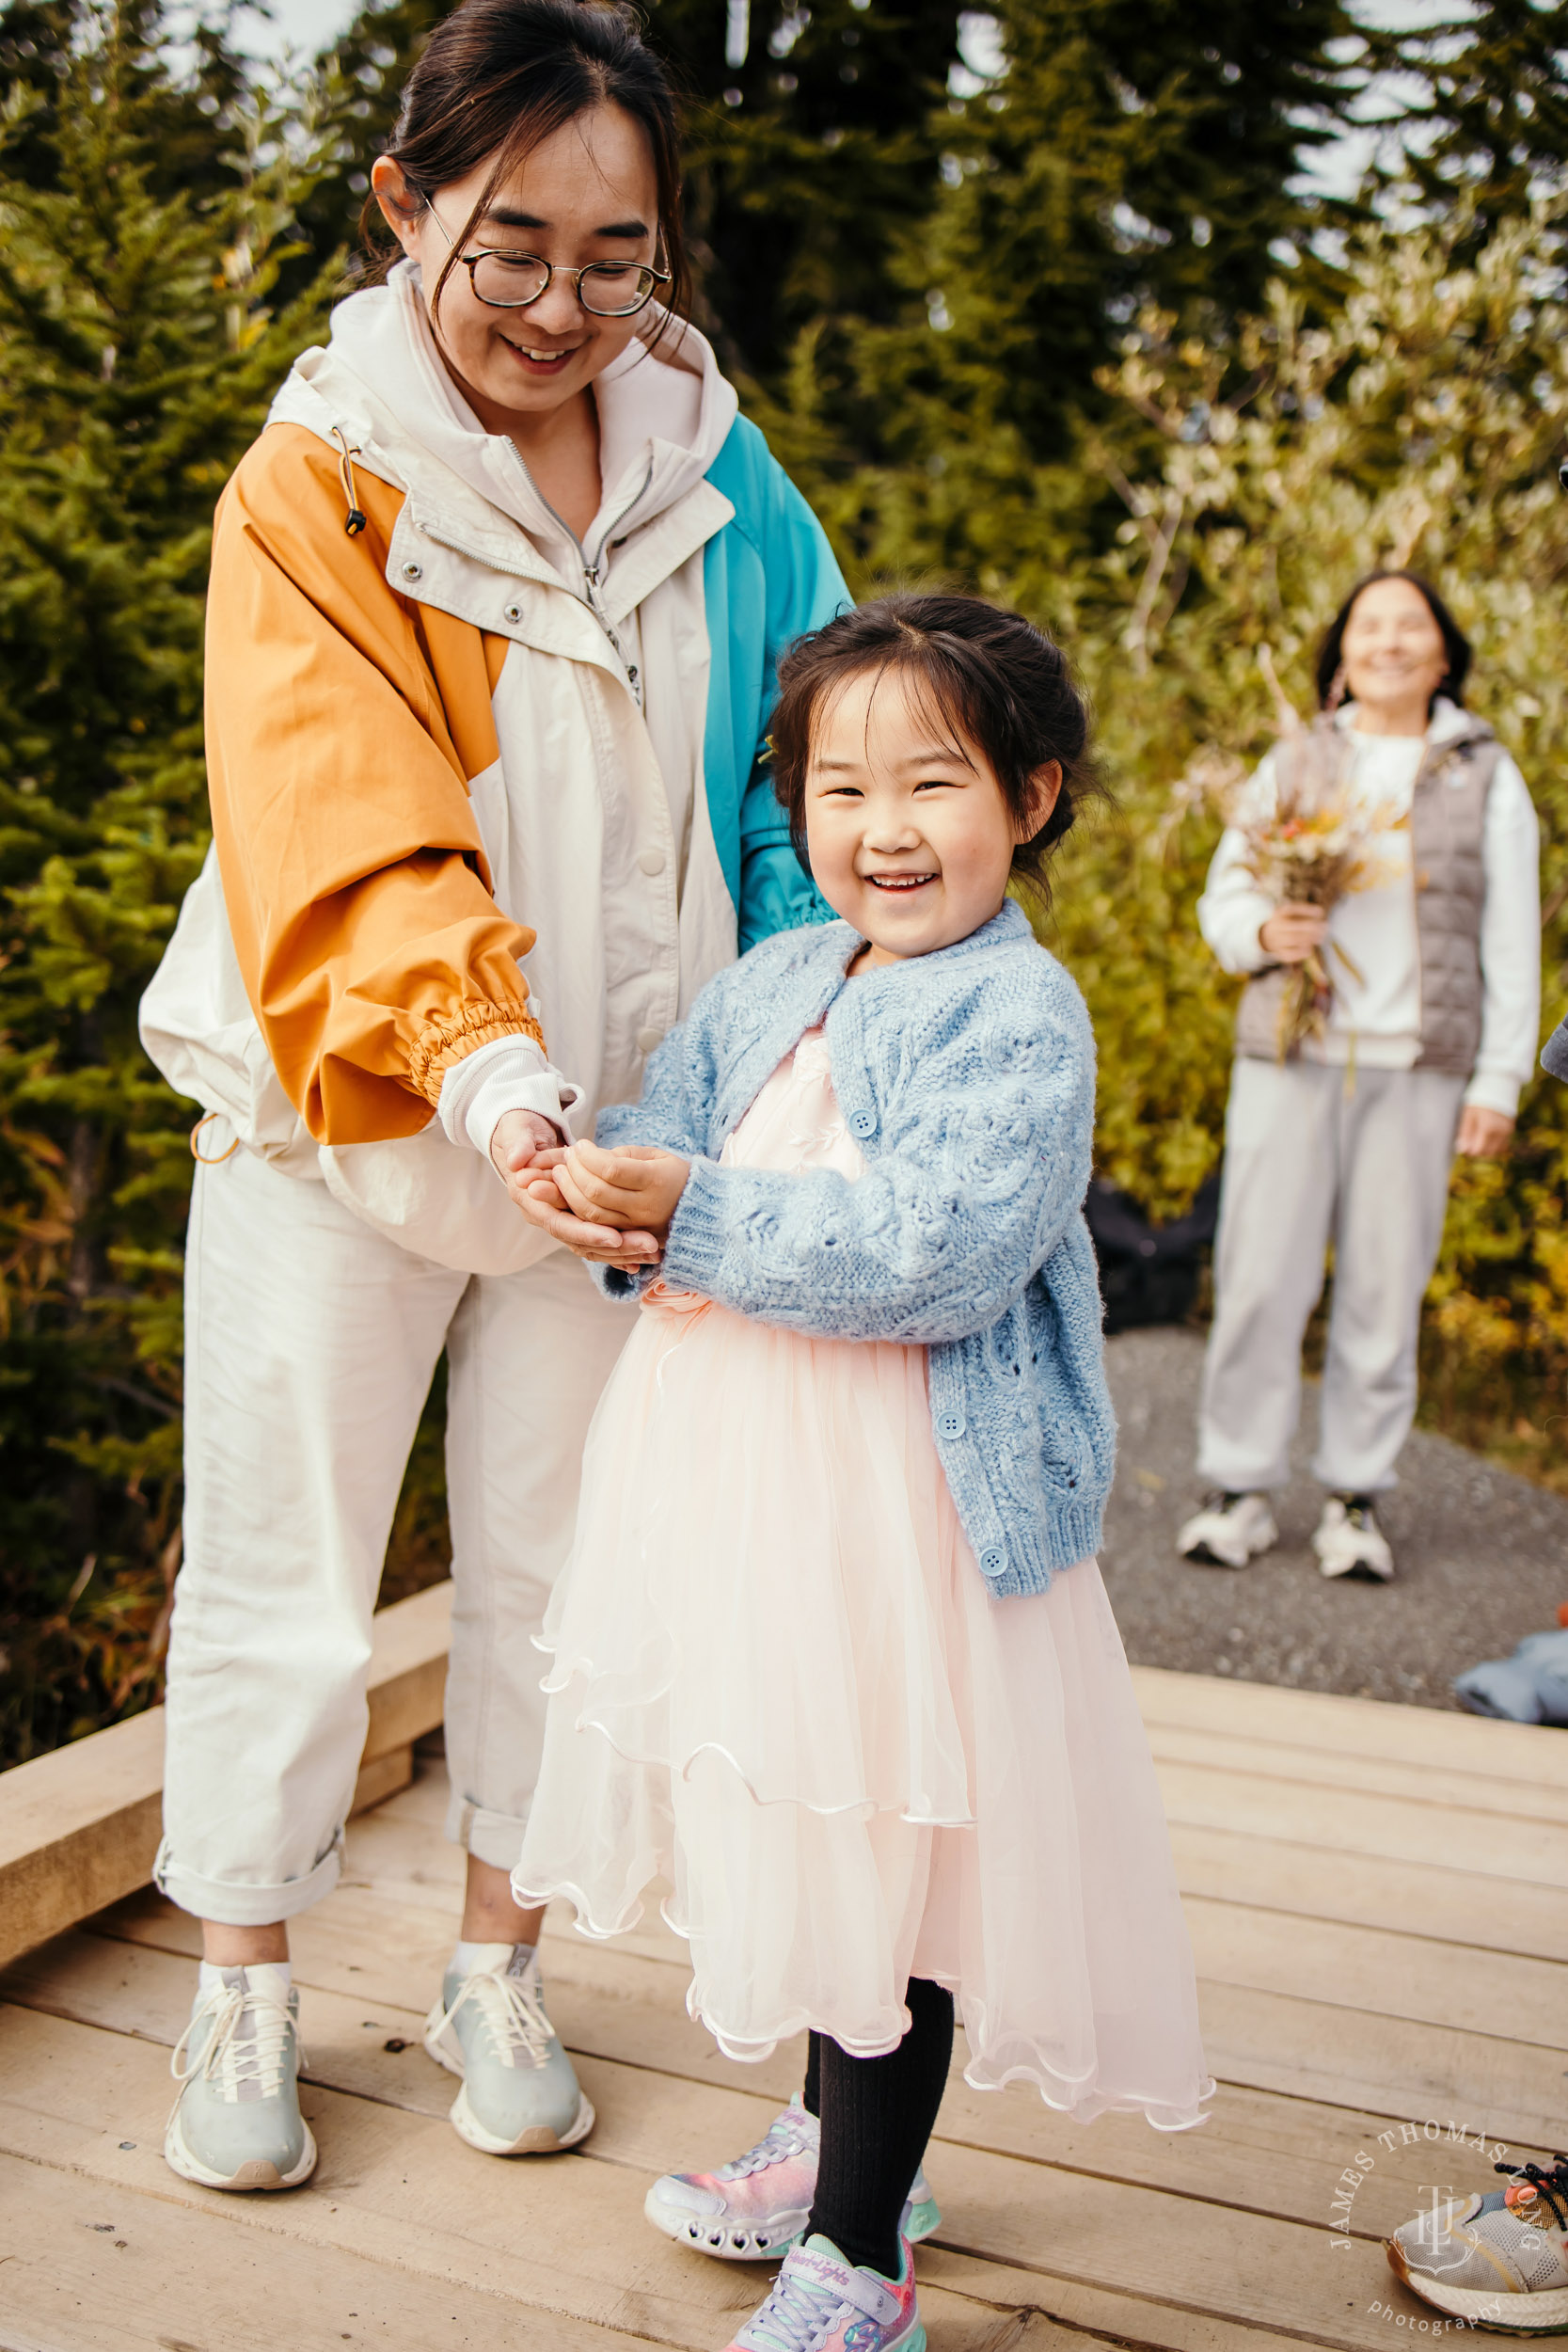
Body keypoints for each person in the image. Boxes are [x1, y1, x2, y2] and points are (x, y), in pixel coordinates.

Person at [136, 0, 847, 2194]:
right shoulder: (320, 476)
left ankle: (491, 1957)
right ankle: (242, 1982)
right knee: (291, 1575)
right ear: (406, 204)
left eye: (614, 256)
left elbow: (796, 773)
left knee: (557, 1577)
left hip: (620, 1144)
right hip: (353, 1117)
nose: (560, 305)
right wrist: (490, 1074)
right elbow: (336, 814)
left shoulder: (722, 471)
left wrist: (793, 1027)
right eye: (510, 244)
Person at [510, 596, 1213, 2352]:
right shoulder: (774, 978)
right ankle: (842, 2153)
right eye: (838, 788)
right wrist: (610, 1195)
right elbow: (678, 1137)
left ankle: (860, 2266)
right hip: (740, 1496)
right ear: (797, 807)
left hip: (897, 1512)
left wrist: (699, 1214)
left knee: (888, 1856)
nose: (881, 830)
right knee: (805, 1821)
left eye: (932, 783)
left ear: (1029, 799)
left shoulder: (1018, 1016)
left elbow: (941, 1254)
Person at [1177, 572, 1540, 1582]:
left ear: (1441, 653)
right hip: (1292, 1058)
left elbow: (1508, 936)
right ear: (1340, 653)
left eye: (1407, 625)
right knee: (1258, 1273)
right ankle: (1236, 1487)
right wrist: (1262, 931)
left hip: (1417, 1067)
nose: (1386, 641)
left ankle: (1353, 1496)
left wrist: (1496, 1080)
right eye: (1366, 625)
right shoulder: (1295, 757)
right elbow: (1224, 897)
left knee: (1385, 1280)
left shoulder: (1481, 771)